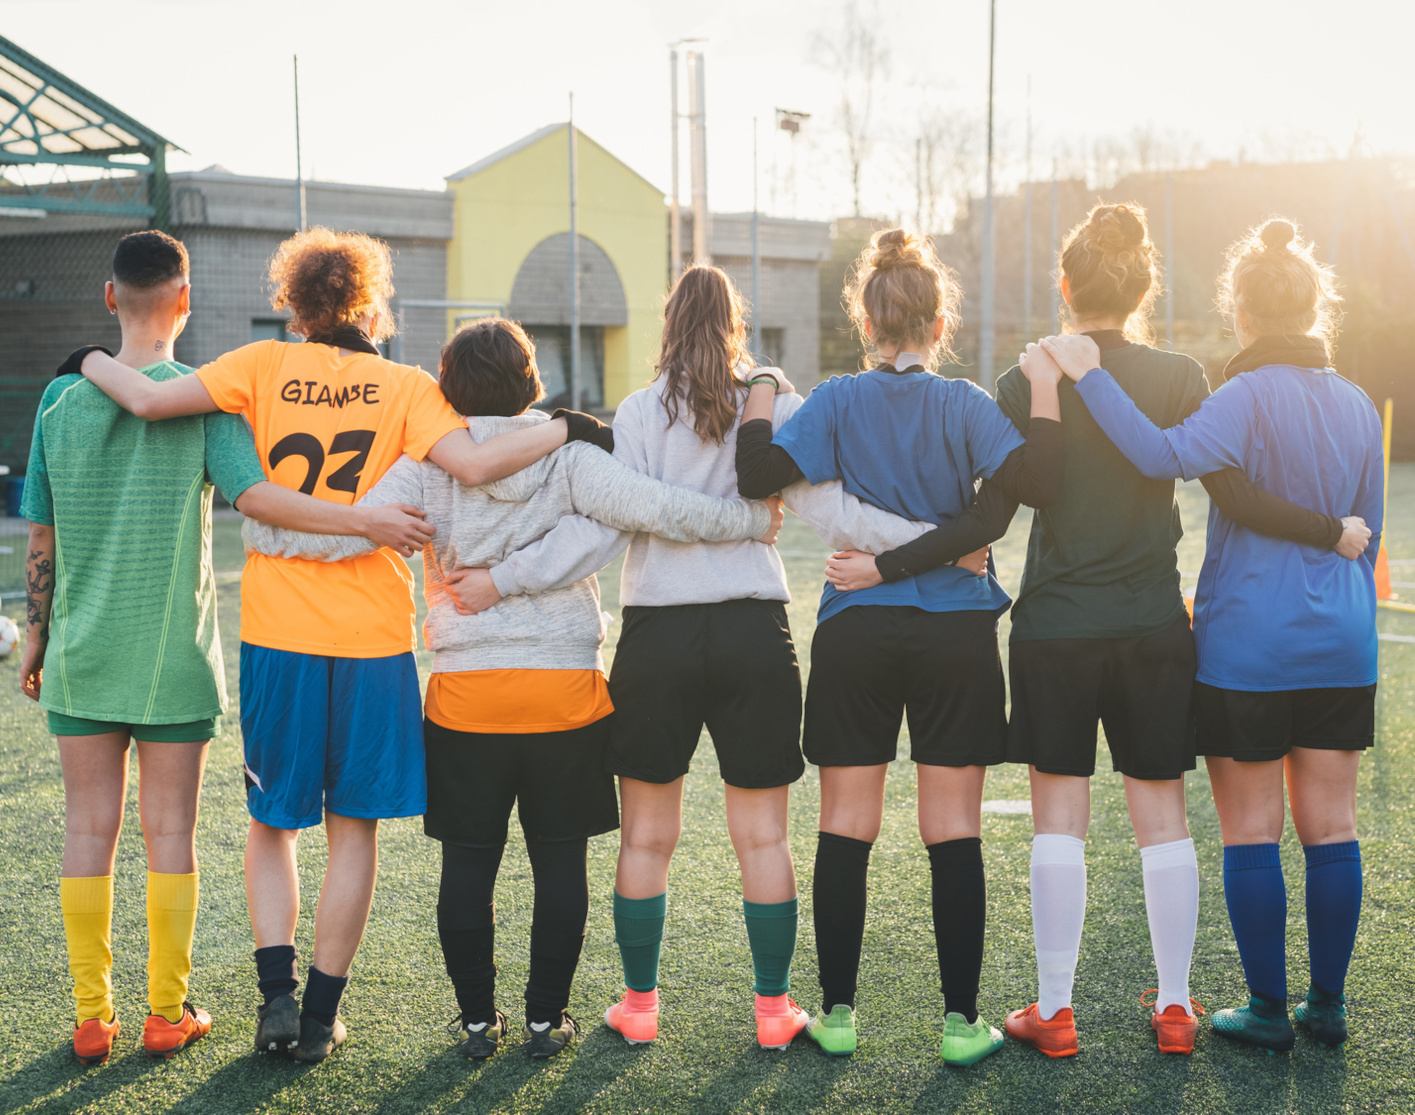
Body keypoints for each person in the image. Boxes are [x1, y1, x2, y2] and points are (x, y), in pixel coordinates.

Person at [74, 228, 611, 1062]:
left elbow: (144, 400)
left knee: (272, 825)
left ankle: (277, 1003)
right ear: (368, 304)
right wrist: (563, 427)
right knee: (352, 827)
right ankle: (322, 1015)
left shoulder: (256, 364)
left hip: (278, 635)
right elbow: (474, 465)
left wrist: (84, 358)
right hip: (371, 637)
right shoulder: (402, 384)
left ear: (293, 303)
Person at [241, 317, 782, 1059]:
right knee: (559, 862)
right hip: (566, 692)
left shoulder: (430, 459)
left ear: (445, 382)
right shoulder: (568, 452)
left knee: (468, 863)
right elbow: (655, 508)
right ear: (531, 381)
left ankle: (473, 1020)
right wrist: (748, 518)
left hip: (468, 696)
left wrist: (267, 531)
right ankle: (541, 1019)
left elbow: (345, 529)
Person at [453, 265, 932, 1052]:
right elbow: (827, 506)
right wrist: (934, 543)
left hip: (659, 641)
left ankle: (638, 1006)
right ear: (735, 325)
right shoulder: (769, 402)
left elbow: (601, 530)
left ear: (667, 323)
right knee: (764, 839)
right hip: (752, 633)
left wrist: (498, 579)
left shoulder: (637, 414)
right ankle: (773, 1012)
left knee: (647, 837)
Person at [19, 231, 432, 1066]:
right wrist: (366, 521)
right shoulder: (211, 402)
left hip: (79, 652)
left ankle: (92, 1018)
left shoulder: (59, 400)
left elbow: (42, 533)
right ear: (185, 298)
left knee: (85, 830)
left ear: (109, 298)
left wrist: (35, 635)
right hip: (179, 657)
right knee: (172, 835)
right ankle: (169, 1012)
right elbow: (254, 495)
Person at [1043, 217, 1382, 1054]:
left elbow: (1159, 456)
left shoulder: (1238, 397)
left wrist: (1087, 376)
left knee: (1250, 830)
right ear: (1313, 309)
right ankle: (1326, 1006)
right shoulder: (1355, 404)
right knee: (1332, 828)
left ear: (1238, 311)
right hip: (1341, 641)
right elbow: (1365, 528)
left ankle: (1267, 1009)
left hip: (1248, 646)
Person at [735, 228, 1065, 1066]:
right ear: (937, 319)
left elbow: (755, 475)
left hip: (857, 628)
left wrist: (765, 389)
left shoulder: (840, 399)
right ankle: (961, 1024)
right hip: (954, 631)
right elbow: (1028, 489)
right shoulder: (964, 404)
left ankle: (838, 1013)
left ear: (866, 318)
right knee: (951, 827)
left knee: (847, 825)